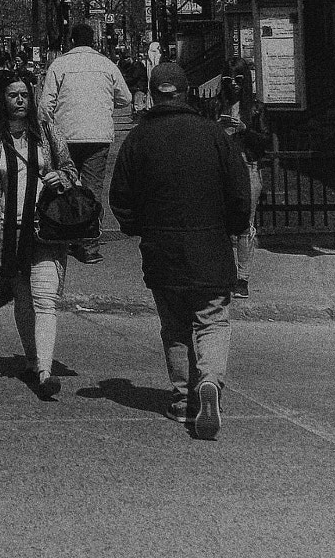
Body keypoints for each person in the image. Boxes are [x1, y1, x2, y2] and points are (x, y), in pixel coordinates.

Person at [109, 61, 251, 439]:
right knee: (212, 319)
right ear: (186, 93)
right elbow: (240, 192)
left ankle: (184, 397)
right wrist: (235, 229)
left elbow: (120, 197)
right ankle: (210, 383)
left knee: (174, 326)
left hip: (161, 246)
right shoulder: (214, 135)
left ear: (154, 95)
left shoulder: (138, 140)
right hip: (210, 244)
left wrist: (138, 228)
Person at [0, 72, 78, 399]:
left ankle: (45, 372)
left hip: (44, 231)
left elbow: (70, 168)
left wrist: (63, 176)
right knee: (24, 300)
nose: (20, 100)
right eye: (13, 95)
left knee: (46, 299)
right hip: (10, 234)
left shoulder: (46, 132)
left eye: (24, 95)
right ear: (2, 101)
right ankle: (32, 360)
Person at [38, 23, 132, 264]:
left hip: (65, 134)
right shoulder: (106, 64)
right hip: (98, 134)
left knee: (65, 184)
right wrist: (105, 104)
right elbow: (126, 97)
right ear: (94, 42)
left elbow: (45, 104)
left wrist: (46, 129)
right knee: (92, 189)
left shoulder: (59, 65)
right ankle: (89, 244)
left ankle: (65, 234)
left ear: (71, 41)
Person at [219, 80, 271, 298]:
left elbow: (264, 142)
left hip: (247, 165)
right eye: (229, 80)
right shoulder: (217, 105)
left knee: (244, 226)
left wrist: (244, 129)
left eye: (238, 80)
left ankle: (243, 278)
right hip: (222, 166)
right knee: (218, 224)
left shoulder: (255, 108)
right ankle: (223, 274)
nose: (234, 85)